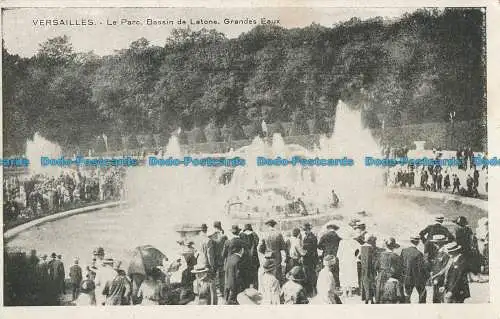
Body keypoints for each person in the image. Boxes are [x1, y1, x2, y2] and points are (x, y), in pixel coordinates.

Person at [258, 219, 288, 284]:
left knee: (268, 271)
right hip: (277, 255)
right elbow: (283, 246)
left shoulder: (264, 234)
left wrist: (266, 252)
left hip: (268, 256)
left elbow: (260, 248)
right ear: (274, 225)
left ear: (268, 225)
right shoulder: (278, 233)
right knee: (277, 272)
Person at [375, 238, 403, 304]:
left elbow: (376, 266)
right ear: (394, 247)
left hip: (381, 277)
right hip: (392, 278)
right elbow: (399, 269)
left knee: (380, 297)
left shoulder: (380, 255)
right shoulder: (396, 256)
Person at [400, 236, 427, 303]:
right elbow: (421, 268)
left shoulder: (404, 251)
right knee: (422, 294)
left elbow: (400, 264)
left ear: (410, 241)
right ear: (418, 242)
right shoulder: (419, 253)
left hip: (406, 277)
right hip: (417, 278)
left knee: (407, 296)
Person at [427, 234, 450, 303]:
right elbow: (436, 265)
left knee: (441, 299)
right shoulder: (438, 252)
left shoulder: (445, 253)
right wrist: (432, 273)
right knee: (436, 299)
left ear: (441, 243)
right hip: (436, 279)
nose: (434, 244)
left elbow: (445, 268)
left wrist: (435, 276)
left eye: (436, 242)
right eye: (434, 242)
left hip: (441, 279)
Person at [318, 223, 342, 288]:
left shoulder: (325, 236)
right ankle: (337, 285)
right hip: (336, 254)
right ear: (335, 229)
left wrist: (325, 248)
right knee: (336, 270)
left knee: (327, 269)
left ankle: (328, 284)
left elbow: (319, 246)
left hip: (327, 254)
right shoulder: (338, 237)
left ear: (328, 229)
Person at [210, 221, 227, 296]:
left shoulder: (211, 236)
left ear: (214, 226)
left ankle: (214, 290)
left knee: (213, 275)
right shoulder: (224, 236)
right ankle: (221, 291)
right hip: (222, 258)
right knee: (222, 275)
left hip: (214, 258)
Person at [301, 223, 318, 297]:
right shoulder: (312, 236)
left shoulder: (309, 237)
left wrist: (303, 253)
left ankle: (311, 290)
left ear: (308, 230)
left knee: (309, 274)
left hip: (309, 258)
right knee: (311, 274)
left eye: (305, 230)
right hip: (312, 258)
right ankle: (313, 290)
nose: (304, 231)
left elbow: (308, 249)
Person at [241, 224, 260, 289]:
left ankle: (246, 288)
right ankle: (255, 289)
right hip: (254, 257)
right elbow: (257, 242)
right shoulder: (254, 234)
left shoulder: (241, 234)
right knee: (254, 275)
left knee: (246, 274)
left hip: (245, 257)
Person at [360, 234, 377, 304]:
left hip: (364, 268)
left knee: (365, 282)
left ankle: (366, 298)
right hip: (371, 268)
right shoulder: (371, 248)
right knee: (371, 283)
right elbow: (374, 259)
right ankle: (371, 298)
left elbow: (359, 257)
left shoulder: (361, 247)